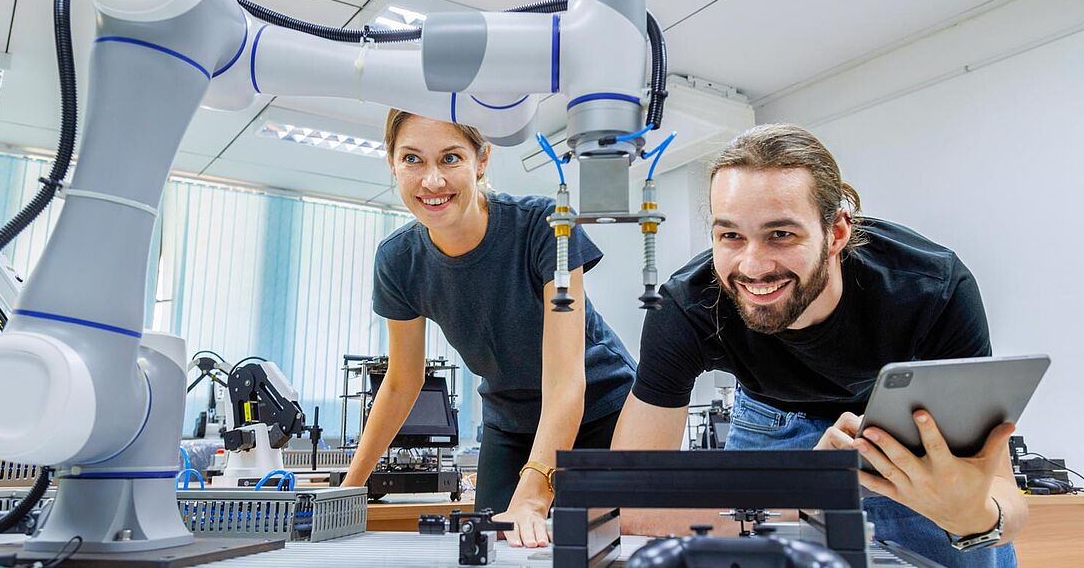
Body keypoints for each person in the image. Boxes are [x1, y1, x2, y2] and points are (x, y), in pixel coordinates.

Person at [610, 124, 1025, 567]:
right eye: (730, 235)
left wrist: (976, 517)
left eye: (781, 234)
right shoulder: (686, 307)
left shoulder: (933, 288)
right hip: (768, 414)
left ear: (837, 233)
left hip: (896, 422)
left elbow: (1002, 493)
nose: (752, 266)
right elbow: (628, 505)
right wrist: (808, 486)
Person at [342, 110, 636, 548]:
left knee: (601, 546)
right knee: (492, 546)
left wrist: (536, 495)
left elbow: (564, 380)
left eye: (450, 158)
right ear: (391, 162)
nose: (432, 181)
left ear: (482, 160)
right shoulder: (398, 260)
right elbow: (403, 381)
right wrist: (348, 491)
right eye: (412, 160)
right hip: (509, 420)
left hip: (600, 408)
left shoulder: (544, 224)